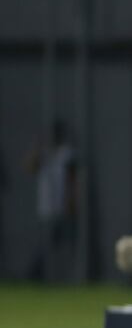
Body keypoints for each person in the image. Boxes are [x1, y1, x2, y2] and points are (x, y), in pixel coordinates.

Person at [27, 120, 77, 282]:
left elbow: (72, 179)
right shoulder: (45, 154)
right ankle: (40, 274)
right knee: (48, 243)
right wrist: (38, 147)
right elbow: (30, 167)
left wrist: (71, 201)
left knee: (61, 243)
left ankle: (50, 275)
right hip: (45, 206)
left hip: (61, 206)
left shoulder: (66, 154)